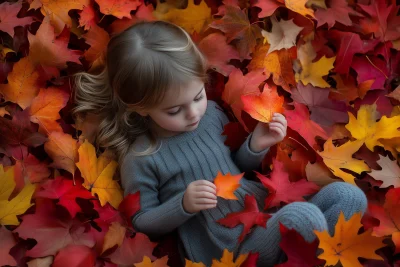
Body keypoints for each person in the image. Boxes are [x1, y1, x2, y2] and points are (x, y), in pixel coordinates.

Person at [72, 20, 368, 266]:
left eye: (198, 97)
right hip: (226, 244)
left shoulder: (211, 114)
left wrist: (256, 145)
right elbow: (141, 219)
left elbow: (235, 167)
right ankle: (309, 255)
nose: (192, 114)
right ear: (140, 108)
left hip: (260, 209)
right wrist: (183, 204)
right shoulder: (143, 156)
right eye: (174, 110)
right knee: (304, 217)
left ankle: (308, 255)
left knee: (349, 196)